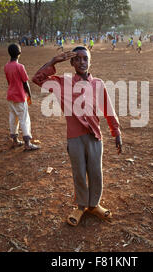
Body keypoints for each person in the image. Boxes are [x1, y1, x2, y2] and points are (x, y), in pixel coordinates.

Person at [32, 46, 122, 227]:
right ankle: (81, 206)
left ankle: (94, 205)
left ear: (90, 62)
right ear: (72, 62)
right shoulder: (63, 83)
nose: (82, 62)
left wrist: (116, 132)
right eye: (78, 59)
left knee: (96, 172)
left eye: (85, 59)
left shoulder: (98, 84)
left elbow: (108, 110)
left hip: (94, 136)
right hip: (74, 137)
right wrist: (53, 62)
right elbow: (37, 79)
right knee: (79, 172)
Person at [4, 44, 40, 151]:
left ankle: (15, 141)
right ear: (19, 53)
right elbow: (25, 83)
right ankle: (27, 143)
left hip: (10, 95)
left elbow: (9, 82)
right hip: (19, 96)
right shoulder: (20, 67)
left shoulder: (6, 66)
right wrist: (29, 94)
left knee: (13, 118)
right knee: (24, 119)